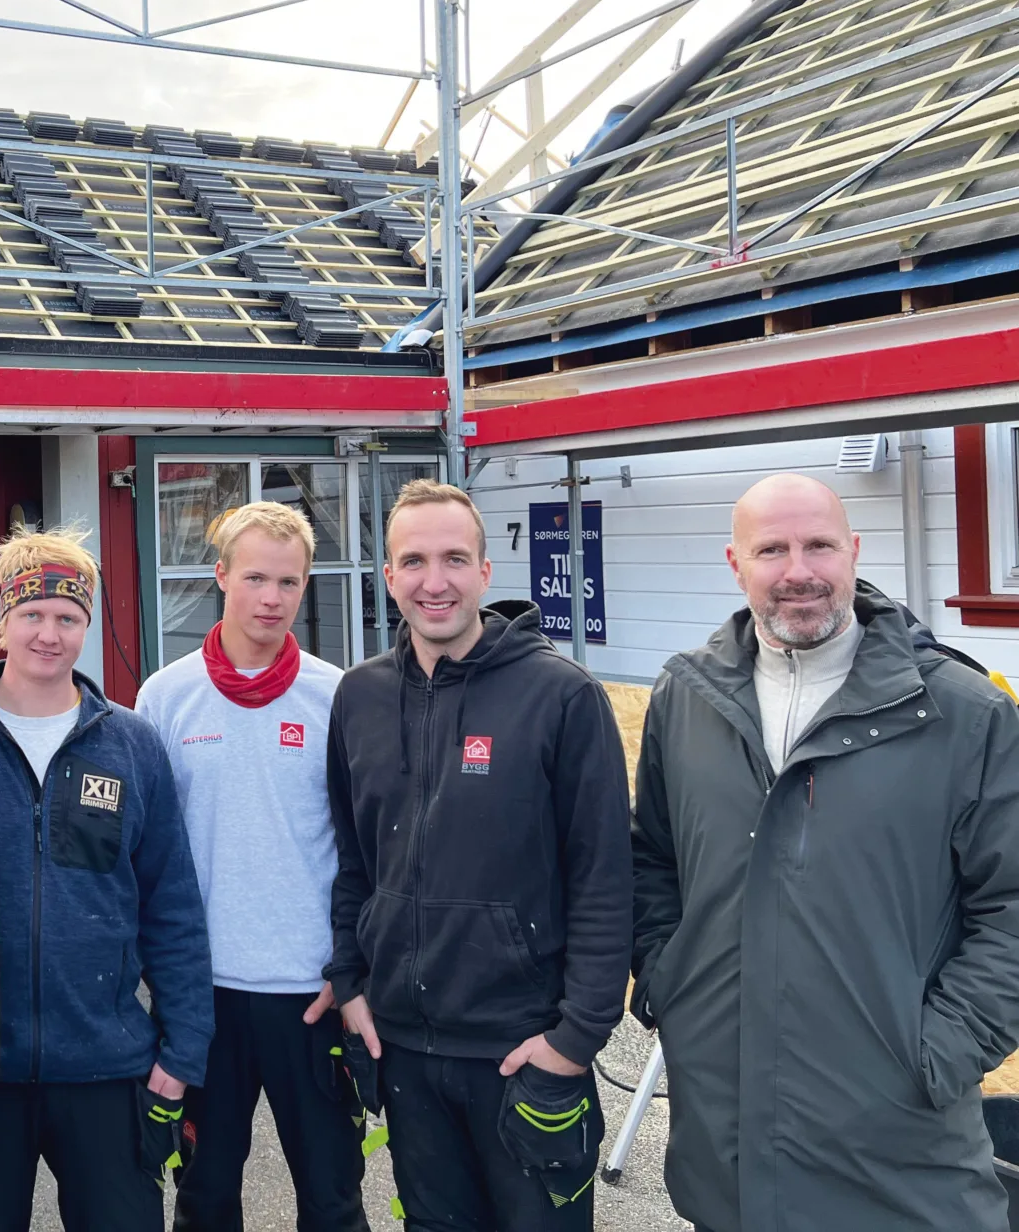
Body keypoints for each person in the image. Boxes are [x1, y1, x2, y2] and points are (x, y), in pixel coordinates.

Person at [631, 473, 1019, 1232]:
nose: (797, 570)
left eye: (819, 545)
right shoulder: (686, 699)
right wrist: (670, 988)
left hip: (897, 1151)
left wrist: (939, 1050)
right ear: (734, 563)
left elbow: (1011, 904)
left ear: (854, 553)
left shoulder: (962, 714)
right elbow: (654, 862)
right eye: (770, 549)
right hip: (727, 1139)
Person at [326, 478, 631, 1231]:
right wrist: (352, 981)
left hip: (524, 1052)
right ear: (389, 575)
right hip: (403, 1048)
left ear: (487, 573)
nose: (436, 582)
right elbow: (352, 862)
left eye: (456, 559)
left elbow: (604, 880)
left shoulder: (561, 698)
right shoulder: (358, 698)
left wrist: (576, 1038)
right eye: (415, 561)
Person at [0, 526, 214, 1232]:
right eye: (31, 615)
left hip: (107, 1066)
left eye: (69, 618)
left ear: (86, 626)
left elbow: (171, 904)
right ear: (1, 623)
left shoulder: (131, 743)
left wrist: (183, 1048)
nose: (49, 634)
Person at [136, 500, 372, 1232]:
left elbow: (364, 850)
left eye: (289, 583)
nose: (271, 599)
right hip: (204, 999)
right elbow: (149, 855)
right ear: (221, 577)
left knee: (333, 1197)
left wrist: (350, 971)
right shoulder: (165, 697)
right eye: (256, 579)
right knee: (204, 1199)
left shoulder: (338, 696)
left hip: (310, 995)